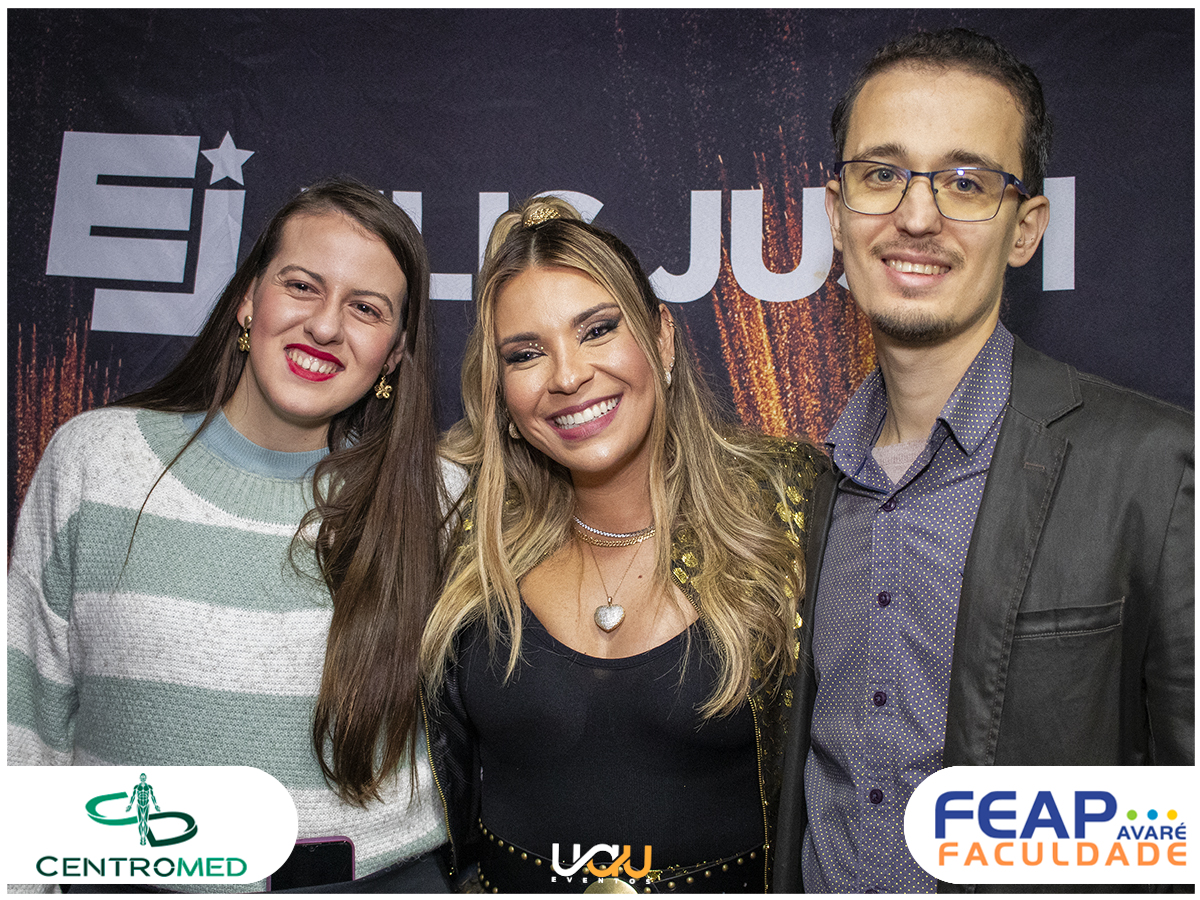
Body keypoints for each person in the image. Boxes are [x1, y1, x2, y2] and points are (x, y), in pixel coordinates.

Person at [773, 28, 1195, 893]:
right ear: (835, 213)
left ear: (1025, 228)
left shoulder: (1155, 470)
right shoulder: (805, 490)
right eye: (882, 174)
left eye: (966, 182)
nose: (916, 216)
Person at [8, 176, 462, 891]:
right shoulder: (97, 462)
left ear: (396, 354)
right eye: (302, 286)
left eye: (365, 308)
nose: (325, 327)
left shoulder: (439, 501)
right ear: (250, 299)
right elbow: (22, 722)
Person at [419, 195, 826, 893]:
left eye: (598, 330)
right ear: (500, 392)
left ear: (662, 339)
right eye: (525, 354)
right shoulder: (465, 526)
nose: (567, 375)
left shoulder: (787, 505)